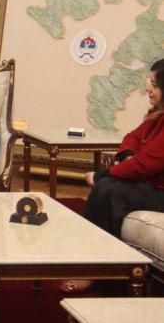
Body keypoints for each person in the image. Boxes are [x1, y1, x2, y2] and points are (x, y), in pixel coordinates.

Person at [61, 58, 164, 293]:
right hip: (152, 187)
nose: (148, 88)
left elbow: (148, 163)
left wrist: (101, 175)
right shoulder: (156, 114)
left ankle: (97, 270)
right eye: (149, 82)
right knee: (108, 187)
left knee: (110, 189)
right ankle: (91, 264)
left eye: (155, 85)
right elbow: (132, 137)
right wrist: (127, 154)